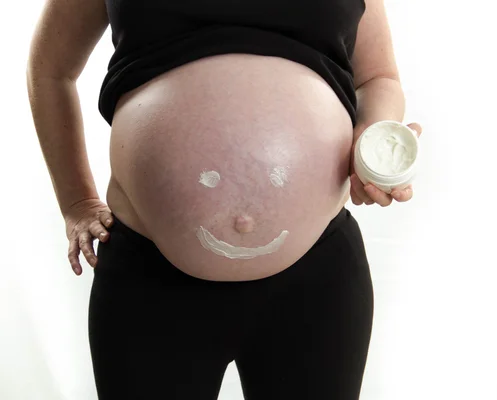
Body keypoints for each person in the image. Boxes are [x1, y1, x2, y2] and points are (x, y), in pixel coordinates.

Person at [26, 0, 423, 398]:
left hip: (315, 281)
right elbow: (51, 69)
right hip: (150, 284)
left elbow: (377, 78)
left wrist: (375, 143)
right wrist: (75, 202)